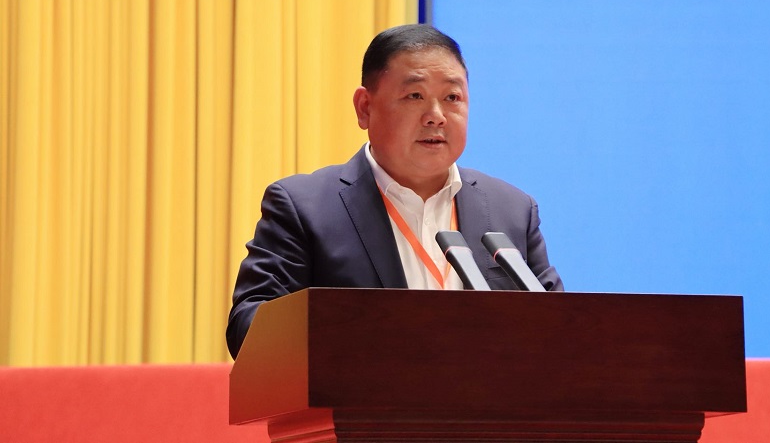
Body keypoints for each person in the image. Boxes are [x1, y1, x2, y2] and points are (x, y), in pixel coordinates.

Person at [226, 24, 563, 359]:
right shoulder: (305, 208)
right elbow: (249, 329)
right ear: (365, 107)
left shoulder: (512, 210)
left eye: (452, 98)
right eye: (415, 96)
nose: (436, 117)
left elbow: (561, 331)